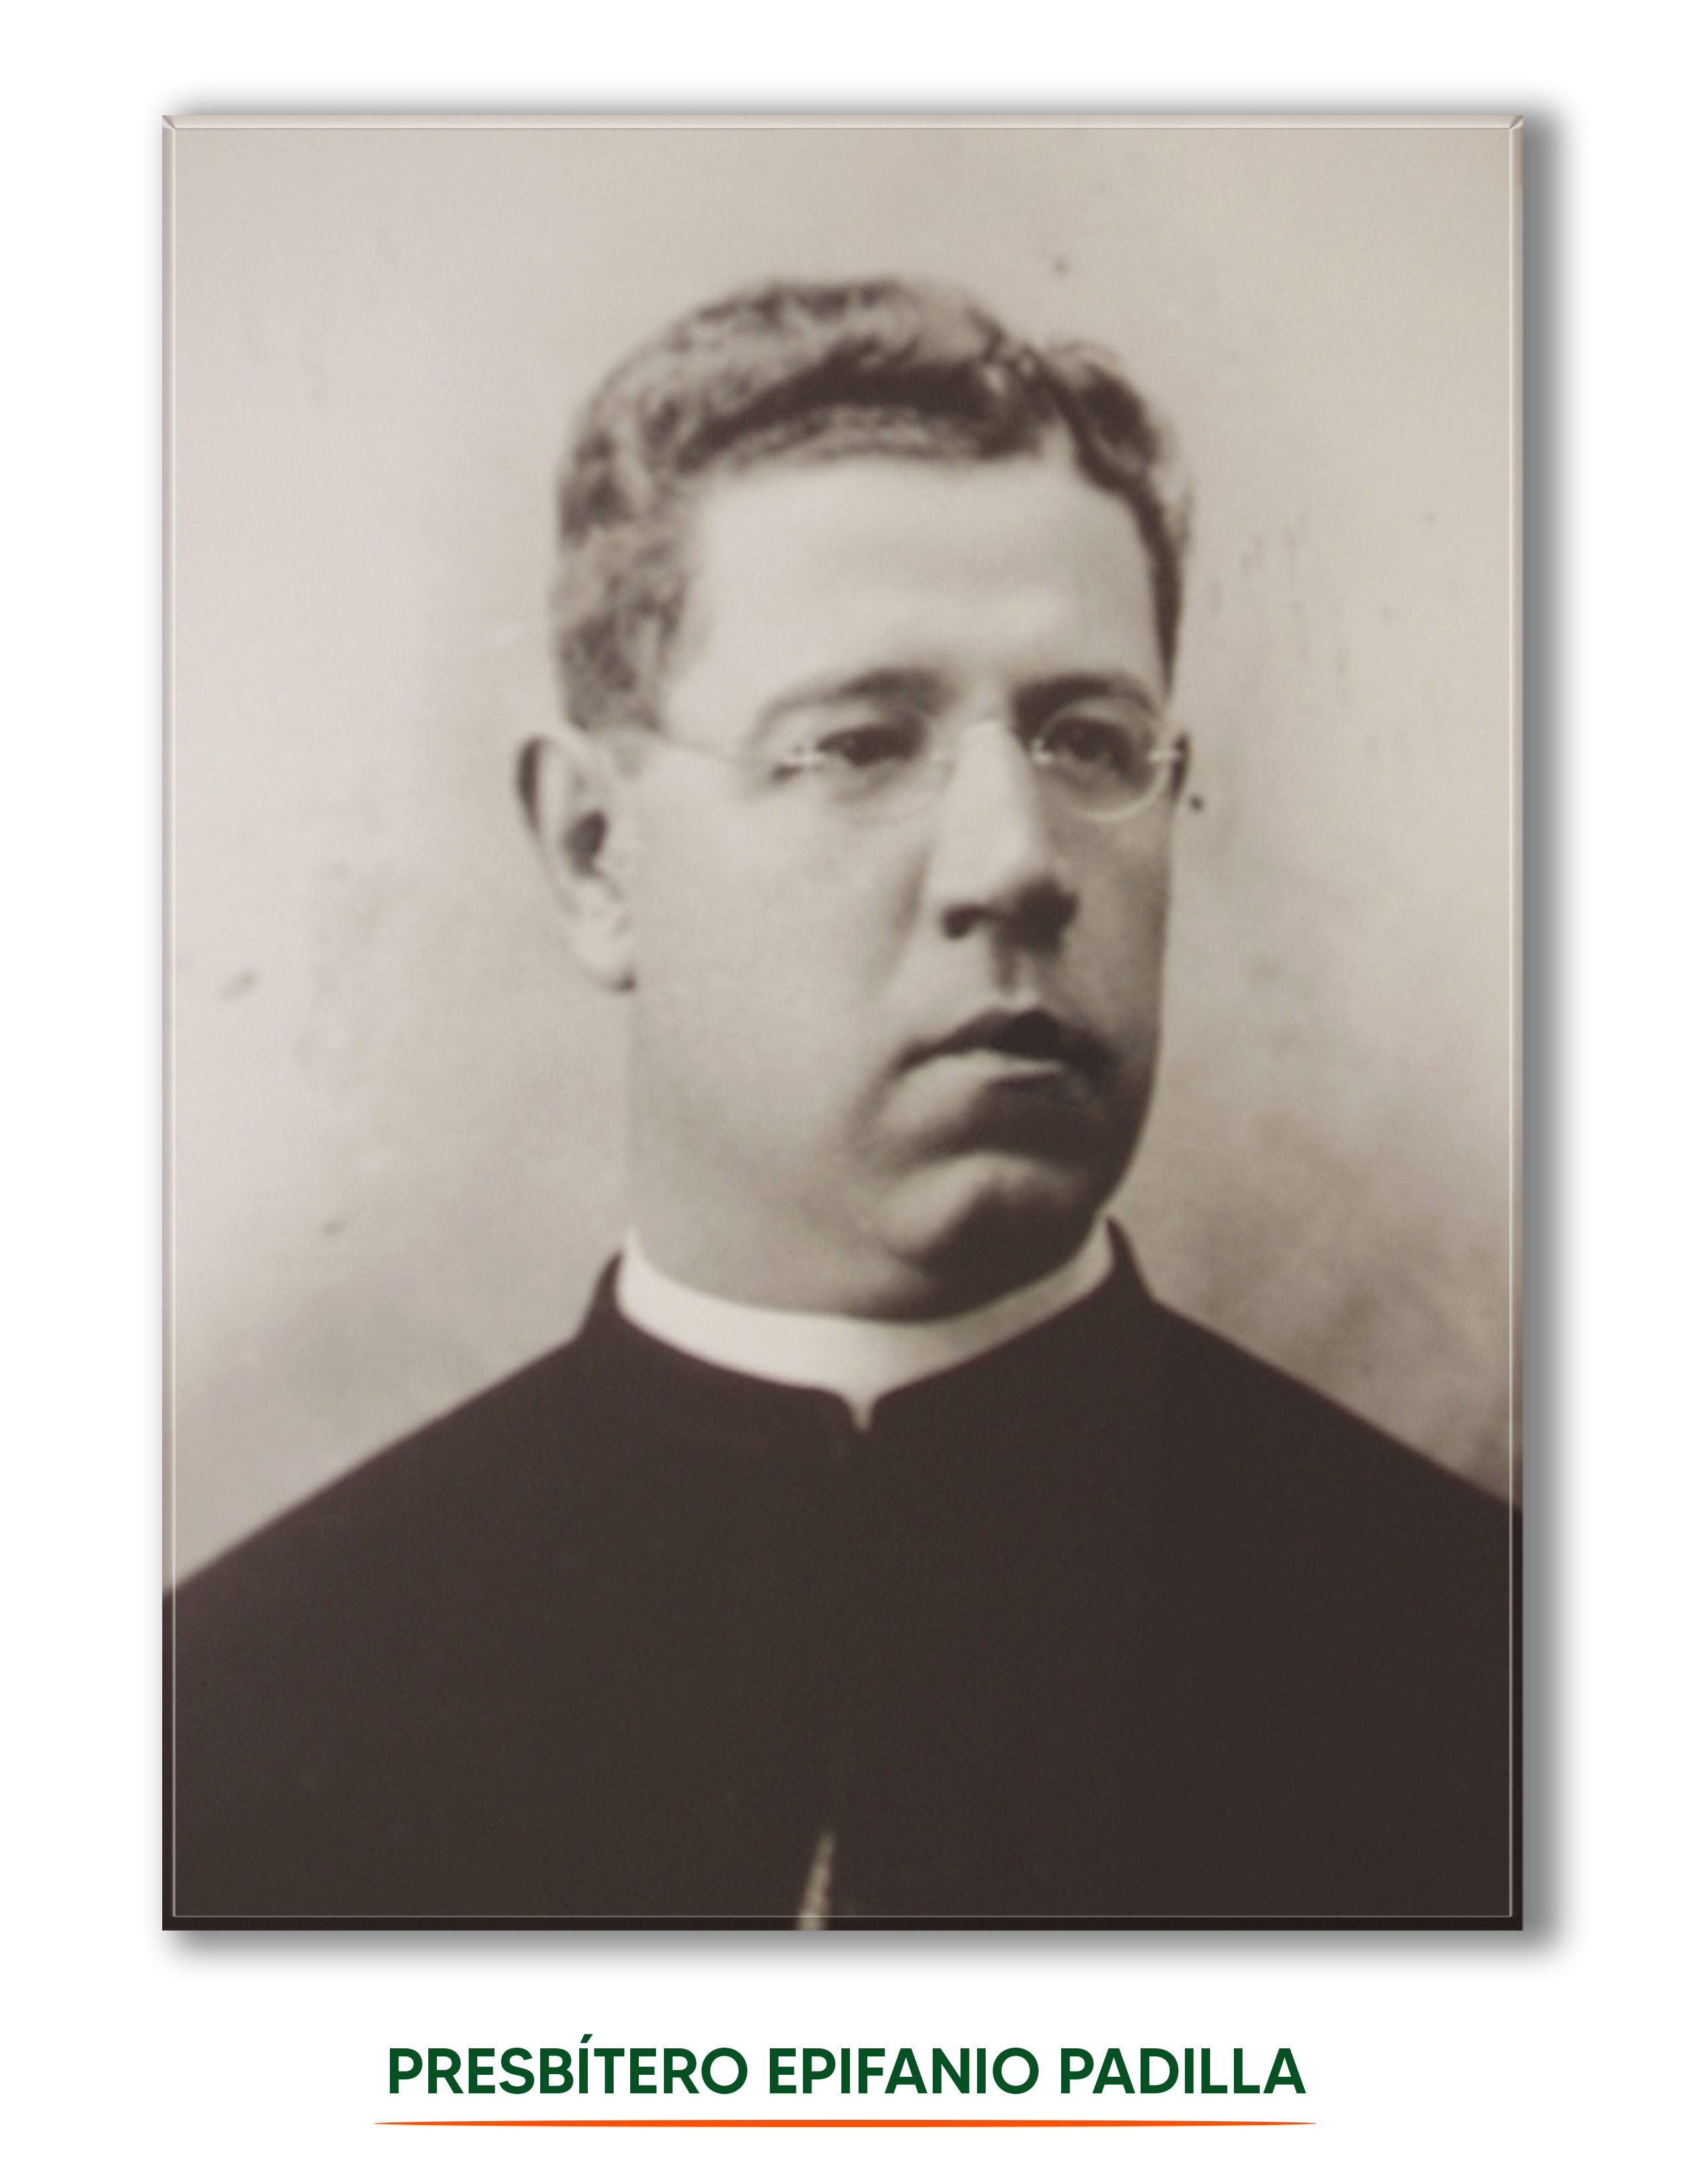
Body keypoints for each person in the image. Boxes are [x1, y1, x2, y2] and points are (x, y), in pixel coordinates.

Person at [167, 277, 1516, 1928]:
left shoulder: (1511, 1694)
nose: (1016, 862)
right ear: (596, 854)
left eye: (1090, 741)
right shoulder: (218, 1735)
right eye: (860, 744)